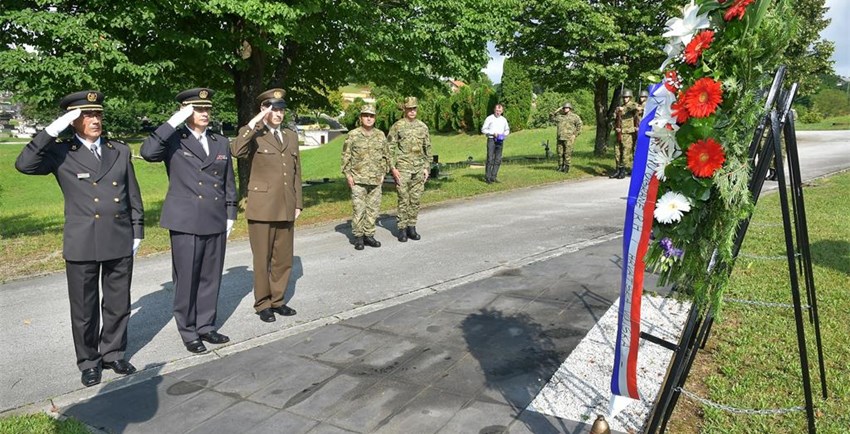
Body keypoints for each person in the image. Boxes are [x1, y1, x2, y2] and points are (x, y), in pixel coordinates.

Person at [15, 91, 144, 387]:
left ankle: (113, 354)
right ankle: (89, 361)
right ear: (72, 120)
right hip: (82, 240)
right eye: (86, 115)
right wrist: (53, 129)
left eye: (97, 114)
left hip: (118, 236)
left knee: (117, 303)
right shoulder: (61, 152)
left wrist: (137, 231)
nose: (94, 120)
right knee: (84, 310)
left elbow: (132, 194)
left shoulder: (118, 150)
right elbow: (24, 164)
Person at [140, 88, 236, 353]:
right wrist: (173, 121)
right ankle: (188, 330)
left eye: (207, 109)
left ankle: (206, 326)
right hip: (186, 220)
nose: (204, 113)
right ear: (185, 111)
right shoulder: (174, 140)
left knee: (211, 277)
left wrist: (230, 213)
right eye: (197, 109)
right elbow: (147, 152)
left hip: (215, 217)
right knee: (187, 278)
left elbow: (228, 181)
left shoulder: (219, 141)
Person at [231, 88, 301, 323]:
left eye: (281, 109)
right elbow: (236, 150)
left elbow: (296, 172)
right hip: (262, 206)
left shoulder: (290, 136)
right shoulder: (255, 133)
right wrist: (254, 123)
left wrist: (298, 202)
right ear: (264, 109)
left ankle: (278, 300)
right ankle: (263, 304)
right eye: (273, 109)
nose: (278, 114)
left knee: (283, 258)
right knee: (262, 259)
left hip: (286, 204)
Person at [341, 104, 392, 250]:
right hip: (358, 179)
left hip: (376, 179)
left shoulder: (380, 135)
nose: (368, 118)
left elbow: (386, 156)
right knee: (359, 209)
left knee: (373, 209)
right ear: (360, 118)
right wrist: (348, 175)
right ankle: (358, 237)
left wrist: (383, 173)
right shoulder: (353, 135)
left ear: (375, 118)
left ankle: (369, 235)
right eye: (366, 115)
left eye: (371, 116)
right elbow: (346, 156)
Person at [387, 96, 432, 242]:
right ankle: (402, 229)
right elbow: (389, 148)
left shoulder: (422, 126)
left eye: (414, 108)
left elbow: (428, 148)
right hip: (403, 169)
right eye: (409, 109)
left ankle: (412, 227)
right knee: (403, 199)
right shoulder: (397, 126)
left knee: (416, 199)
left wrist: (427, 167)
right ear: (404, 110)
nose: (412, 111)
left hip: (419, 169)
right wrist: (392, 168)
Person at [612, 89, 640, 179]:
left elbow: (635, 107)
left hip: (628, 132)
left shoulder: (632, 105)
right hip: (619, 132)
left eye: (627, 97)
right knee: (617, 151)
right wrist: (615, 126)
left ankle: (624, 170)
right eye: (624, 97)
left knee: (626, 151)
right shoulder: (619, 107)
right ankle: (618, 169)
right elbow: (614, 119)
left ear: (630, 97)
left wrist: (623, 109)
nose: (625, 99)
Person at [480, 103, 510, 183]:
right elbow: (483, 129)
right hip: (491, 139)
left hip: (500, 140)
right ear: (494, 110)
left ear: (502, 111)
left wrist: (504, 134)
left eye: (500, 111)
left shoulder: (503, 120)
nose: (498, 112)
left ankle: (494, 176)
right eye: (497, 110)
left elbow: (507, 130)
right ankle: (488, 177)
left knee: (498, 159)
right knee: (490, 158)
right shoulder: (489, 118)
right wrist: (493, 133)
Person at [550, 102, 583, 173]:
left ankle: (567, 167)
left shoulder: (575, 117)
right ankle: (560, 166)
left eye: (567, 108)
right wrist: (557, 110)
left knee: (567, 153)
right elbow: (551, 118)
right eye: (564, 108)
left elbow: (579, 126)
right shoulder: (560, 116)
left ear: (570, 108)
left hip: (569, 138)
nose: (565, 109)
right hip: (560, 138)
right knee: (559, 153)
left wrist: (575, 135)